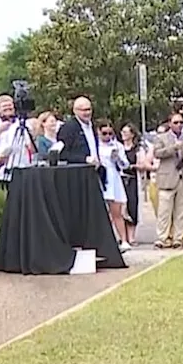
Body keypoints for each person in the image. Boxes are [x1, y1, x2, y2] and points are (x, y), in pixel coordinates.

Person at [153, 113, 183, 248]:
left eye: (181, 122)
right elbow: (157, 153)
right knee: (164, 211)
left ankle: (179, 238)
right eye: (176, 122)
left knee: (181, 211)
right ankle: (162, 238)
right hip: (167, 178)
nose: (179, 125)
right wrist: (173, 148)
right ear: (170, 123)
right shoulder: (162, 138)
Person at [96, 119, 132, 251]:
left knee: (116, 211)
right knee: (102, 212)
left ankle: (124, 239)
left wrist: (117, 159)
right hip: (100, 176)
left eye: (110, 133)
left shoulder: (117, 145)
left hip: (114, 177)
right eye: (104, 133)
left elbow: (125, 164)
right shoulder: (95, 145)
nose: (108, 136)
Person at [0, 94, 34, 191]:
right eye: (5, 108)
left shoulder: (21, 123)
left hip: (21, 167)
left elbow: (30, 145)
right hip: (1, 170)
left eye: (10, 107)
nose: (8, 110)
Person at [119, 123, 153, 247]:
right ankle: (123, 237)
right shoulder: (118, 147)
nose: (124, 134)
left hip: (133, 179)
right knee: (121, 208)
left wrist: (132, 166)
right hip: (120, 179)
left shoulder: (138, 149)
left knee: (132, 207)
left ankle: (131, 237)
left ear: (132, 134)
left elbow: (143, 164)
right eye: (122, 132)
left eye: (126, 132)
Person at [56, 97, 101, 171]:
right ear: (75, 111)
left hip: (94, 172)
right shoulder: (68, 128)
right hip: (78, 173)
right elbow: (63, 154)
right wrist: (85, 159)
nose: (87, 113)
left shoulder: (93, 126)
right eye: (84, 110)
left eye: (89, 109)